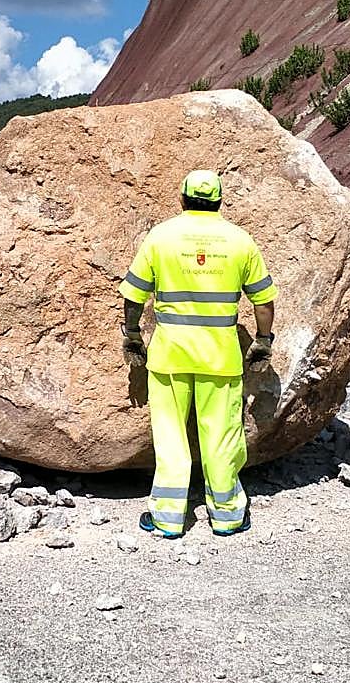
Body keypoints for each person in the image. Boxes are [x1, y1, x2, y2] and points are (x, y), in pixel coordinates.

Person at [118, 170, 278, 539]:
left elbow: (133, 296)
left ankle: (168, 517)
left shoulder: (161, 237)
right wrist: (263, 341)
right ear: (220, 201)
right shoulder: (240, 240)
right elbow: (264, 300)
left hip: (169, 354)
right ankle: (227, 515)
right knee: (220, 437)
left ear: (182, 199)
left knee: (171, 435)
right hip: (220, 356)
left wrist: (132, 336)